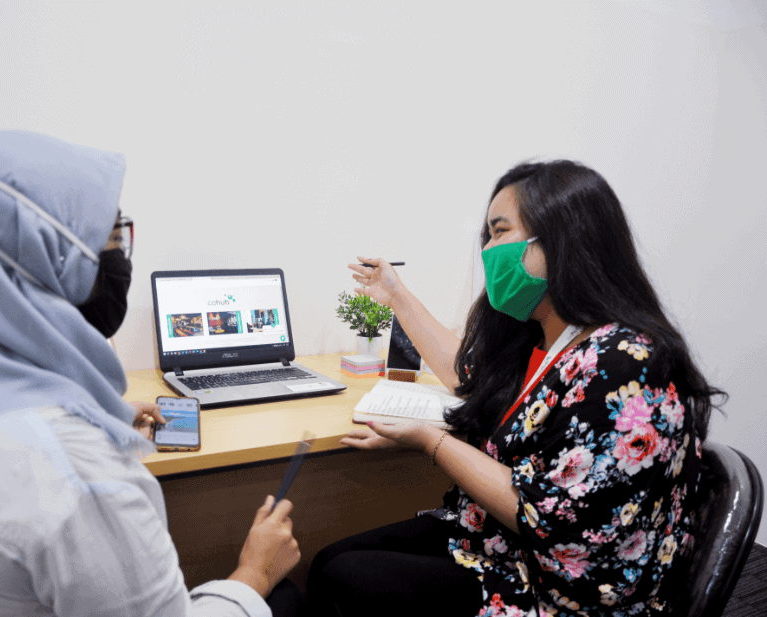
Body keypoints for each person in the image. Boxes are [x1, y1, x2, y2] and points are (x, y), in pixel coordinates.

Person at [0, 131, 301, 616]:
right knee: (285, 597)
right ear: (47, 265)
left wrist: (103, 413)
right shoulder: (77, 468)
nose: (121, 258)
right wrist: (254, 573)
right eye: (112, 239)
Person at [304, 160, 725, 616]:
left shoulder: (624, 363)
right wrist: (397, 295)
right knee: (329, 561)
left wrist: (429, 440)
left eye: (500, 231)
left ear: (562, 238)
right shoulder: (545, 336)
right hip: (500, 541)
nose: (489, 249)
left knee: (342, 578)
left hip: (562, 590)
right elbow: (469, 378)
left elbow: (547, 517)